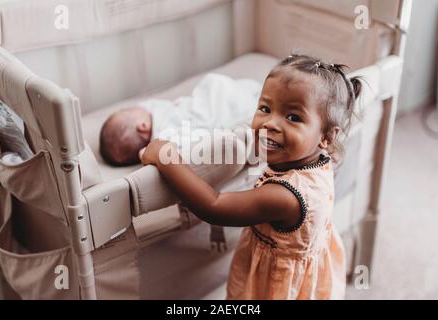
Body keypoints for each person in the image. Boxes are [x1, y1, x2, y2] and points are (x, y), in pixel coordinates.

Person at [140, 54, 362, 299]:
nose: (271, 124)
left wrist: (167, 158)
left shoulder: (285, 196)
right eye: (265, 108)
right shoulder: (320, 159)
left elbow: (213, 206)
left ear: (326, 137)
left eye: (293, 117)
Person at [99, 73, 262, 166]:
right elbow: (179, 149)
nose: (140, 106)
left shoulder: (159, 122)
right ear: (142, 126)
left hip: (213, 105)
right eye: (129, 110)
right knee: (215, 86)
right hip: (216, 113)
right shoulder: (164, 136)